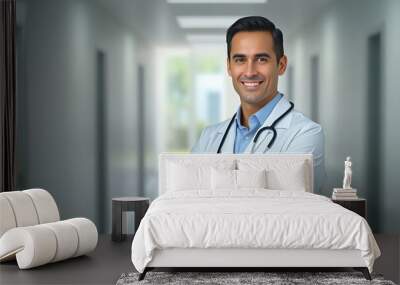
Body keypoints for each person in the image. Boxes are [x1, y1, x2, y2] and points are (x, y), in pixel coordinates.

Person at [191, 16, 325, 193]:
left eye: (261, 59)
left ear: (281, 65)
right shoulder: (209, 137)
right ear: (229, 67)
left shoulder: (304, 135)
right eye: (240, 60)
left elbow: (289, 209)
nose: (250, 71)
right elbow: (187, 199)